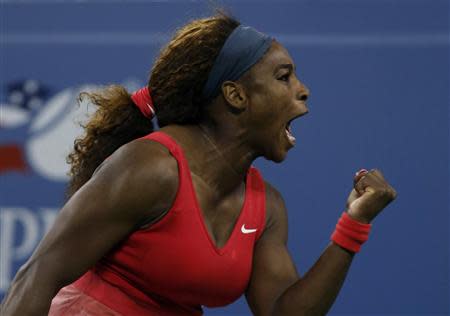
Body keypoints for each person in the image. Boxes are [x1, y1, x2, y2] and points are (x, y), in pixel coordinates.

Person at [1, 12, 397, 316]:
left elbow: (282, 311)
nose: (303, 90)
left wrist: (353, 225)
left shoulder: (267, 208)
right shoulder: (150, 167)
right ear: (236, 96)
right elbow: (38, 276)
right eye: (283, 76)